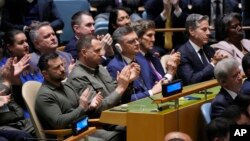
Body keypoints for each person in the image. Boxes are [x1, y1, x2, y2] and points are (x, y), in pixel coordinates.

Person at [35, 52, 123, 141]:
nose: (62, 69)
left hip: (81, 129)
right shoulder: (44, 96)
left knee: (118, 135)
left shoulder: (67, 86)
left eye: (62, 65)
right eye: (56, 68)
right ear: (45, 74)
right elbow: (59, 123)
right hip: (66, 136)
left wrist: (90, 108)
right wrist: (82, 107)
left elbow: (80, 111)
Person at [67, 35, 134, 112]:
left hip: (118, 112)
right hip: (103, 121)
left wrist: (127, 82)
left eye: (101, 49)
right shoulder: (77, 77)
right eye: (97, 50)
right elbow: (97, 109)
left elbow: (121, 98)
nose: (102, 53)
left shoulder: (101, 68)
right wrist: (120, 88)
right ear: (84, 52)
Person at [107, 25, 163, 101]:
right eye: (131, 42)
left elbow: (154, 85)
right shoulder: (114, 67)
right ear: (118, 47)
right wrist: (151, 92)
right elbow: (121, 100)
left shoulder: (142, 59)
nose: (137, 43)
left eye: (136, 39)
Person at [177, 13, 225, 85]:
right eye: (204, 29)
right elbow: (191, 81)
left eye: (209, 29)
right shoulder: (183, 53)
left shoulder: (210, 50)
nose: (208, 33)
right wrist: (213, 64)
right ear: (191, 31)